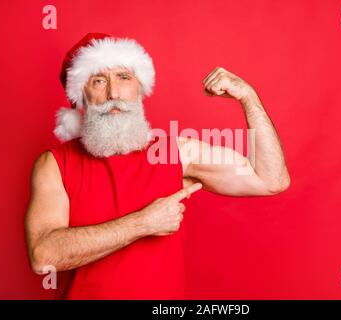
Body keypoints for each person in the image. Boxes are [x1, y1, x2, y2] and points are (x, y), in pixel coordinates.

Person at [24, 33, 290, 299]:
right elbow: (43, 256)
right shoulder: (55, 165)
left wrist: (248, 98)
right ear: (80, 95)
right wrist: (143, 223)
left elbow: (270, 179)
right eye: (98, 80)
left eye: (124, 77)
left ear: (139, 87)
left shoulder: (176, 153)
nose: (113, 92)